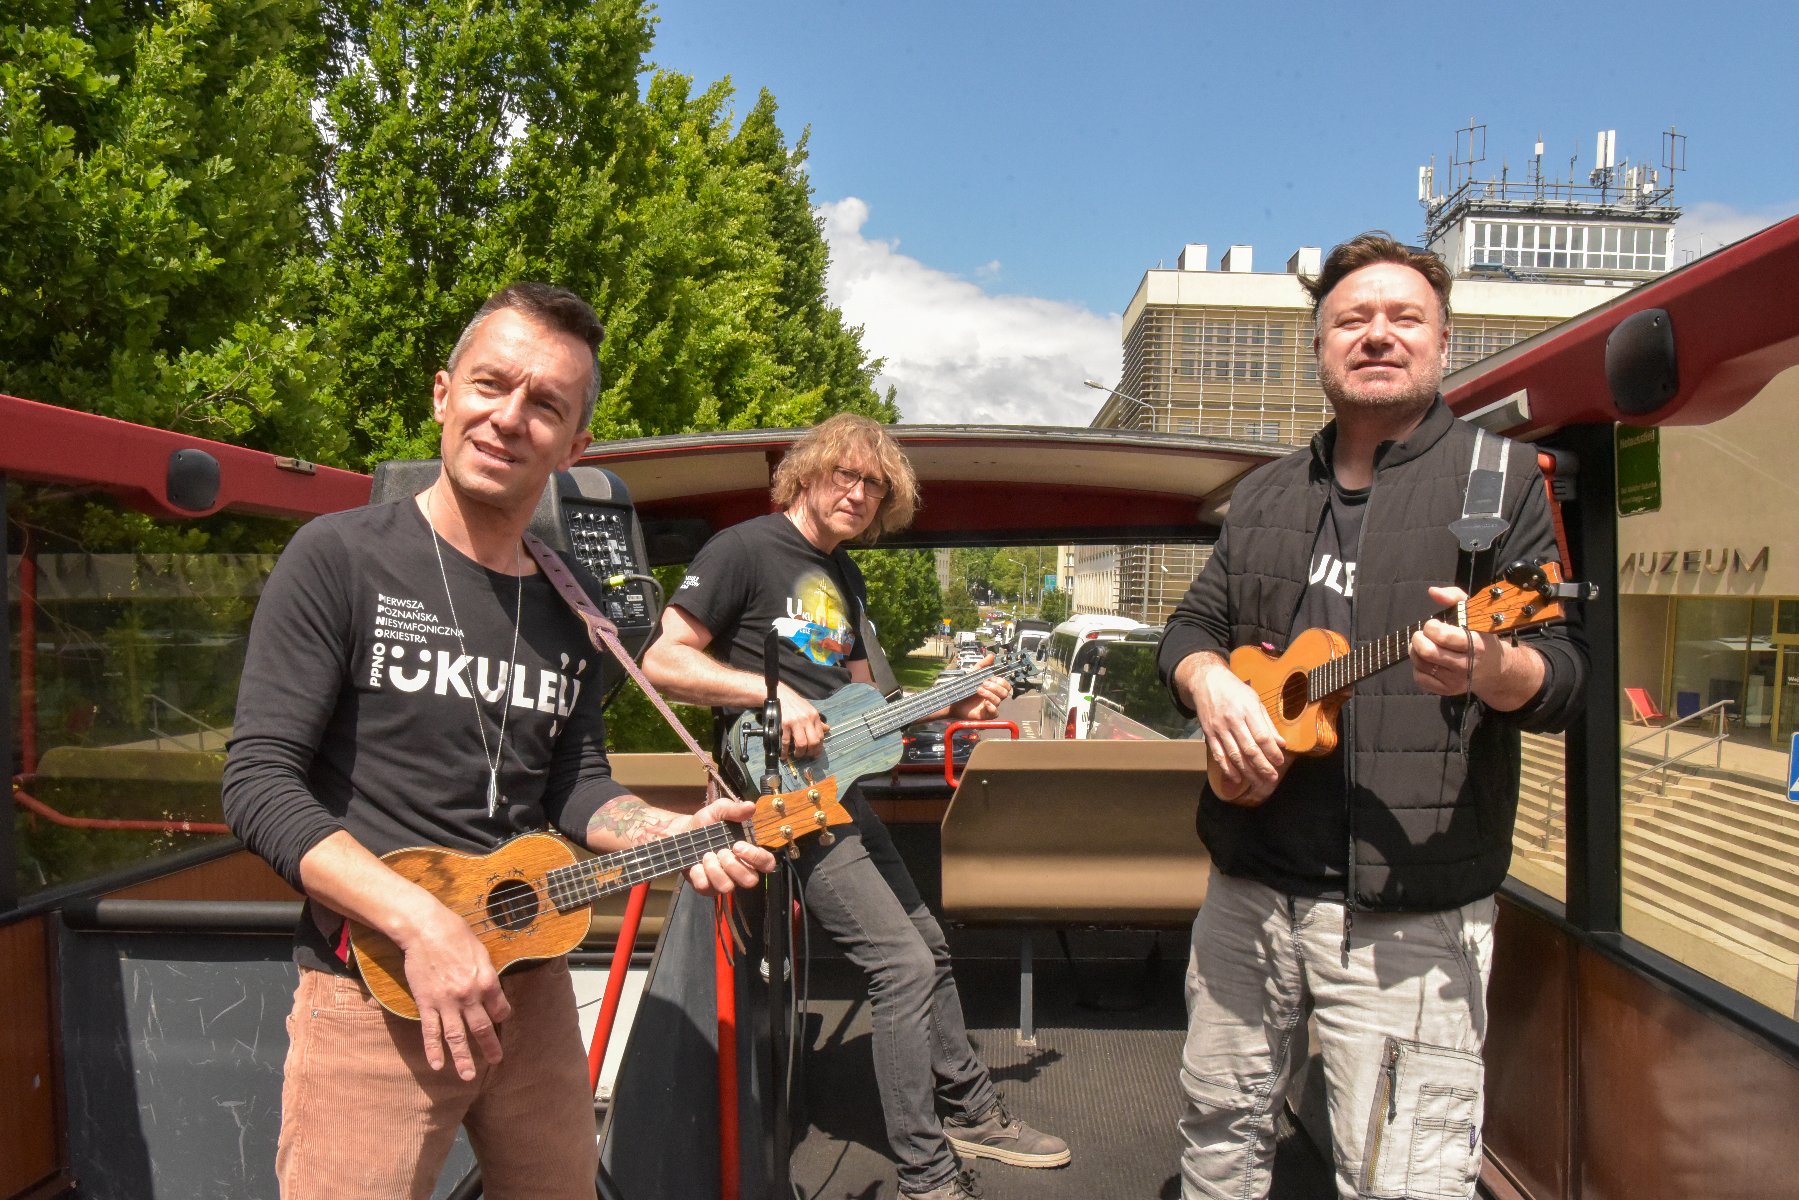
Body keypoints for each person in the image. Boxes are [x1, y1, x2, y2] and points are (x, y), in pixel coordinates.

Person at [222, 282, 775, 1200]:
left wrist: (661, 832)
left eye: (546, 405)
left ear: (574, 446)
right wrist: (421, 922)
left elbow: (575, 779)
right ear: (444, 392)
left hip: (530, 987)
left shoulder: (573, 610)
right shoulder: (338, 557)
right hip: (378, 988)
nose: (509, 417)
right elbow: (258, 784)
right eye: (491, 384)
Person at [1156, 233, 1588, 1200]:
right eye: (1352, 320)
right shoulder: (1264, 492)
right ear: (1319, 347)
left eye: (1404, 319)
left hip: (1410, 913)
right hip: (1246, 887)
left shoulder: (1500, 482)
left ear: (1442, 344)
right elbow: (1187, 628)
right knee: (1217, 1129)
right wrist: (1211, 684)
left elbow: (1562, 673)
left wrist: (1493, 666)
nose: (1377, 336)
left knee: (1402, 1171)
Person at [641, 413, 1070, 1200]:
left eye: (874, 485)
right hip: (780, 797)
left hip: (839, 785)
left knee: (928, 946)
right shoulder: (741, 548)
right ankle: (925, 1173)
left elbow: (871, 705)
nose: (858, 492)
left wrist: (953, 709)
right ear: (805, 473)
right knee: (900, 966)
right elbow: (663, 660)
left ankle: (970, 1111)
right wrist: (770, 692)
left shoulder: (844, 576)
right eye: (845, 474)